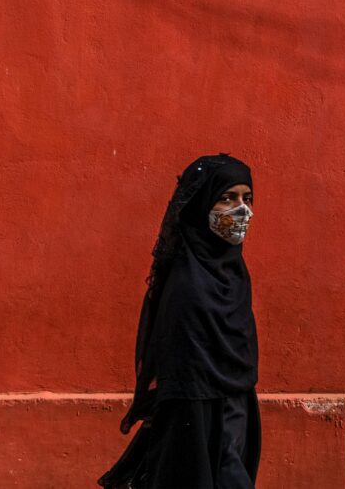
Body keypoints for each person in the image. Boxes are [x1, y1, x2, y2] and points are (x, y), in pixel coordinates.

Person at [100, 153, 261, 489]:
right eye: (226, 198)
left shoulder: (234, 275)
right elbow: (180, 366)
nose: (241, 209)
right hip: (194, 414)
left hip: (236, 407)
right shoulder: (188, 283)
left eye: (247, 198)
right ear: (200, 206)